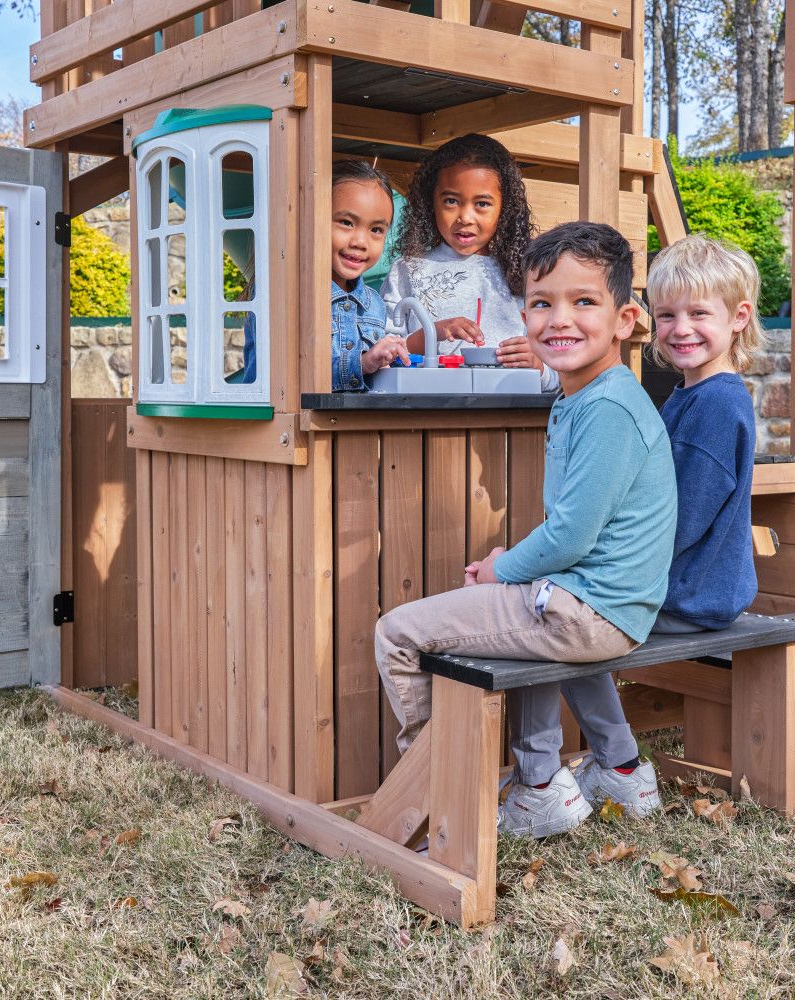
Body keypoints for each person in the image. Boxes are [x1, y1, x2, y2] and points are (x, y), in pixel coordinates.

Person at [375, 221, 676, 838]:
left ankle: (448, 795)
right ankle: (597, 776)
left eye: (582, 302)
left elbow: (568, 539)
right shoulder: (587, 396)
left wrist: (498, 568)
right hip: (606, 604)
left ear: (624, 320)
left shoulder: (609, 409)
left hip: (592, 612)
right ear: (523, 314)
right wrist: (510, 566)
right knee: (511, 613)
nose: (558, 319)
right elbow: (576, 530)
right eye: (542, 303)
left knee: (397, 632)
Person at [645, 235, 763, 633]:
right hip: (680, 590)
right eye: (666, 315)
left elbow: (682, 519)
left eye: (698, 313)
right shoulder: (691, 393)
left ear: (738, 317)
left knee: (552, 617)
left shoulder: (716, 404)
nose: (680, 329)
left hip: (684, 599)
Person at [379, 133, 558, 391]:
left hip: (512, 425)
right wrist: (432, 333)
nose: (465, 217)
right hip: (423, 422)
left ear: (504, 208)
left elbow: (560, 372)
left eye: (482, 204)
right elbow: (382, 356)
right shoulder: (407, 271)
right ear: (431, 203)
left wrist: (538, 367)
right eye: (451, 201)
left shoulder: (528, 274)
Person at [240, 160, 409, 388]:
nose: (360, 242)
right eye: (347, 223)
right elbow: (284, 380)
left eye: (376, 230)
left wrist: (391, 359)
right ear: (310, 220)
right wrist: (362, 363)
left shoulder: (374, 303)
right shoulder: (283, 292)